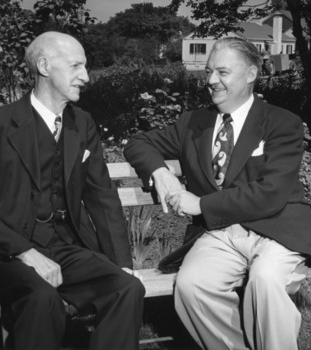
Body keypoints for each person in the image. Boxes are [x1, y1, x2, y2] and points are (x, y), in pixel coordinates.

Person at [124, 36, 311, 350]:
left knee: (265, 281)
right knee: (191, 285)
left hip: (276, 227)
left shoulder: (282, 123)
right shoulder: (194, 123)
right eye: (209, 71)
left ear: (250, 75)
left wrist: (200, 203)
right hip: (219, 232)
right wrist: (159, 173)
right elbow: (137, 143)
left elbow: (272, 192)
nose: (211, 80)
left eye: (222, 72)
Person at [0, 31, 145, 350]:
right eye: (76, 66)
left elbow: (102, 198)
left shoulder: (82, 124)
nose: (85, 77)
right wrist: (24, 251)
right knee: (41, 296)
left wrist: (122, 262)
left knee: (126, 287)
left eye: (85, 67)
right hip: (3, 257)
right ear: (44, 66)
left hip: (64, 247)